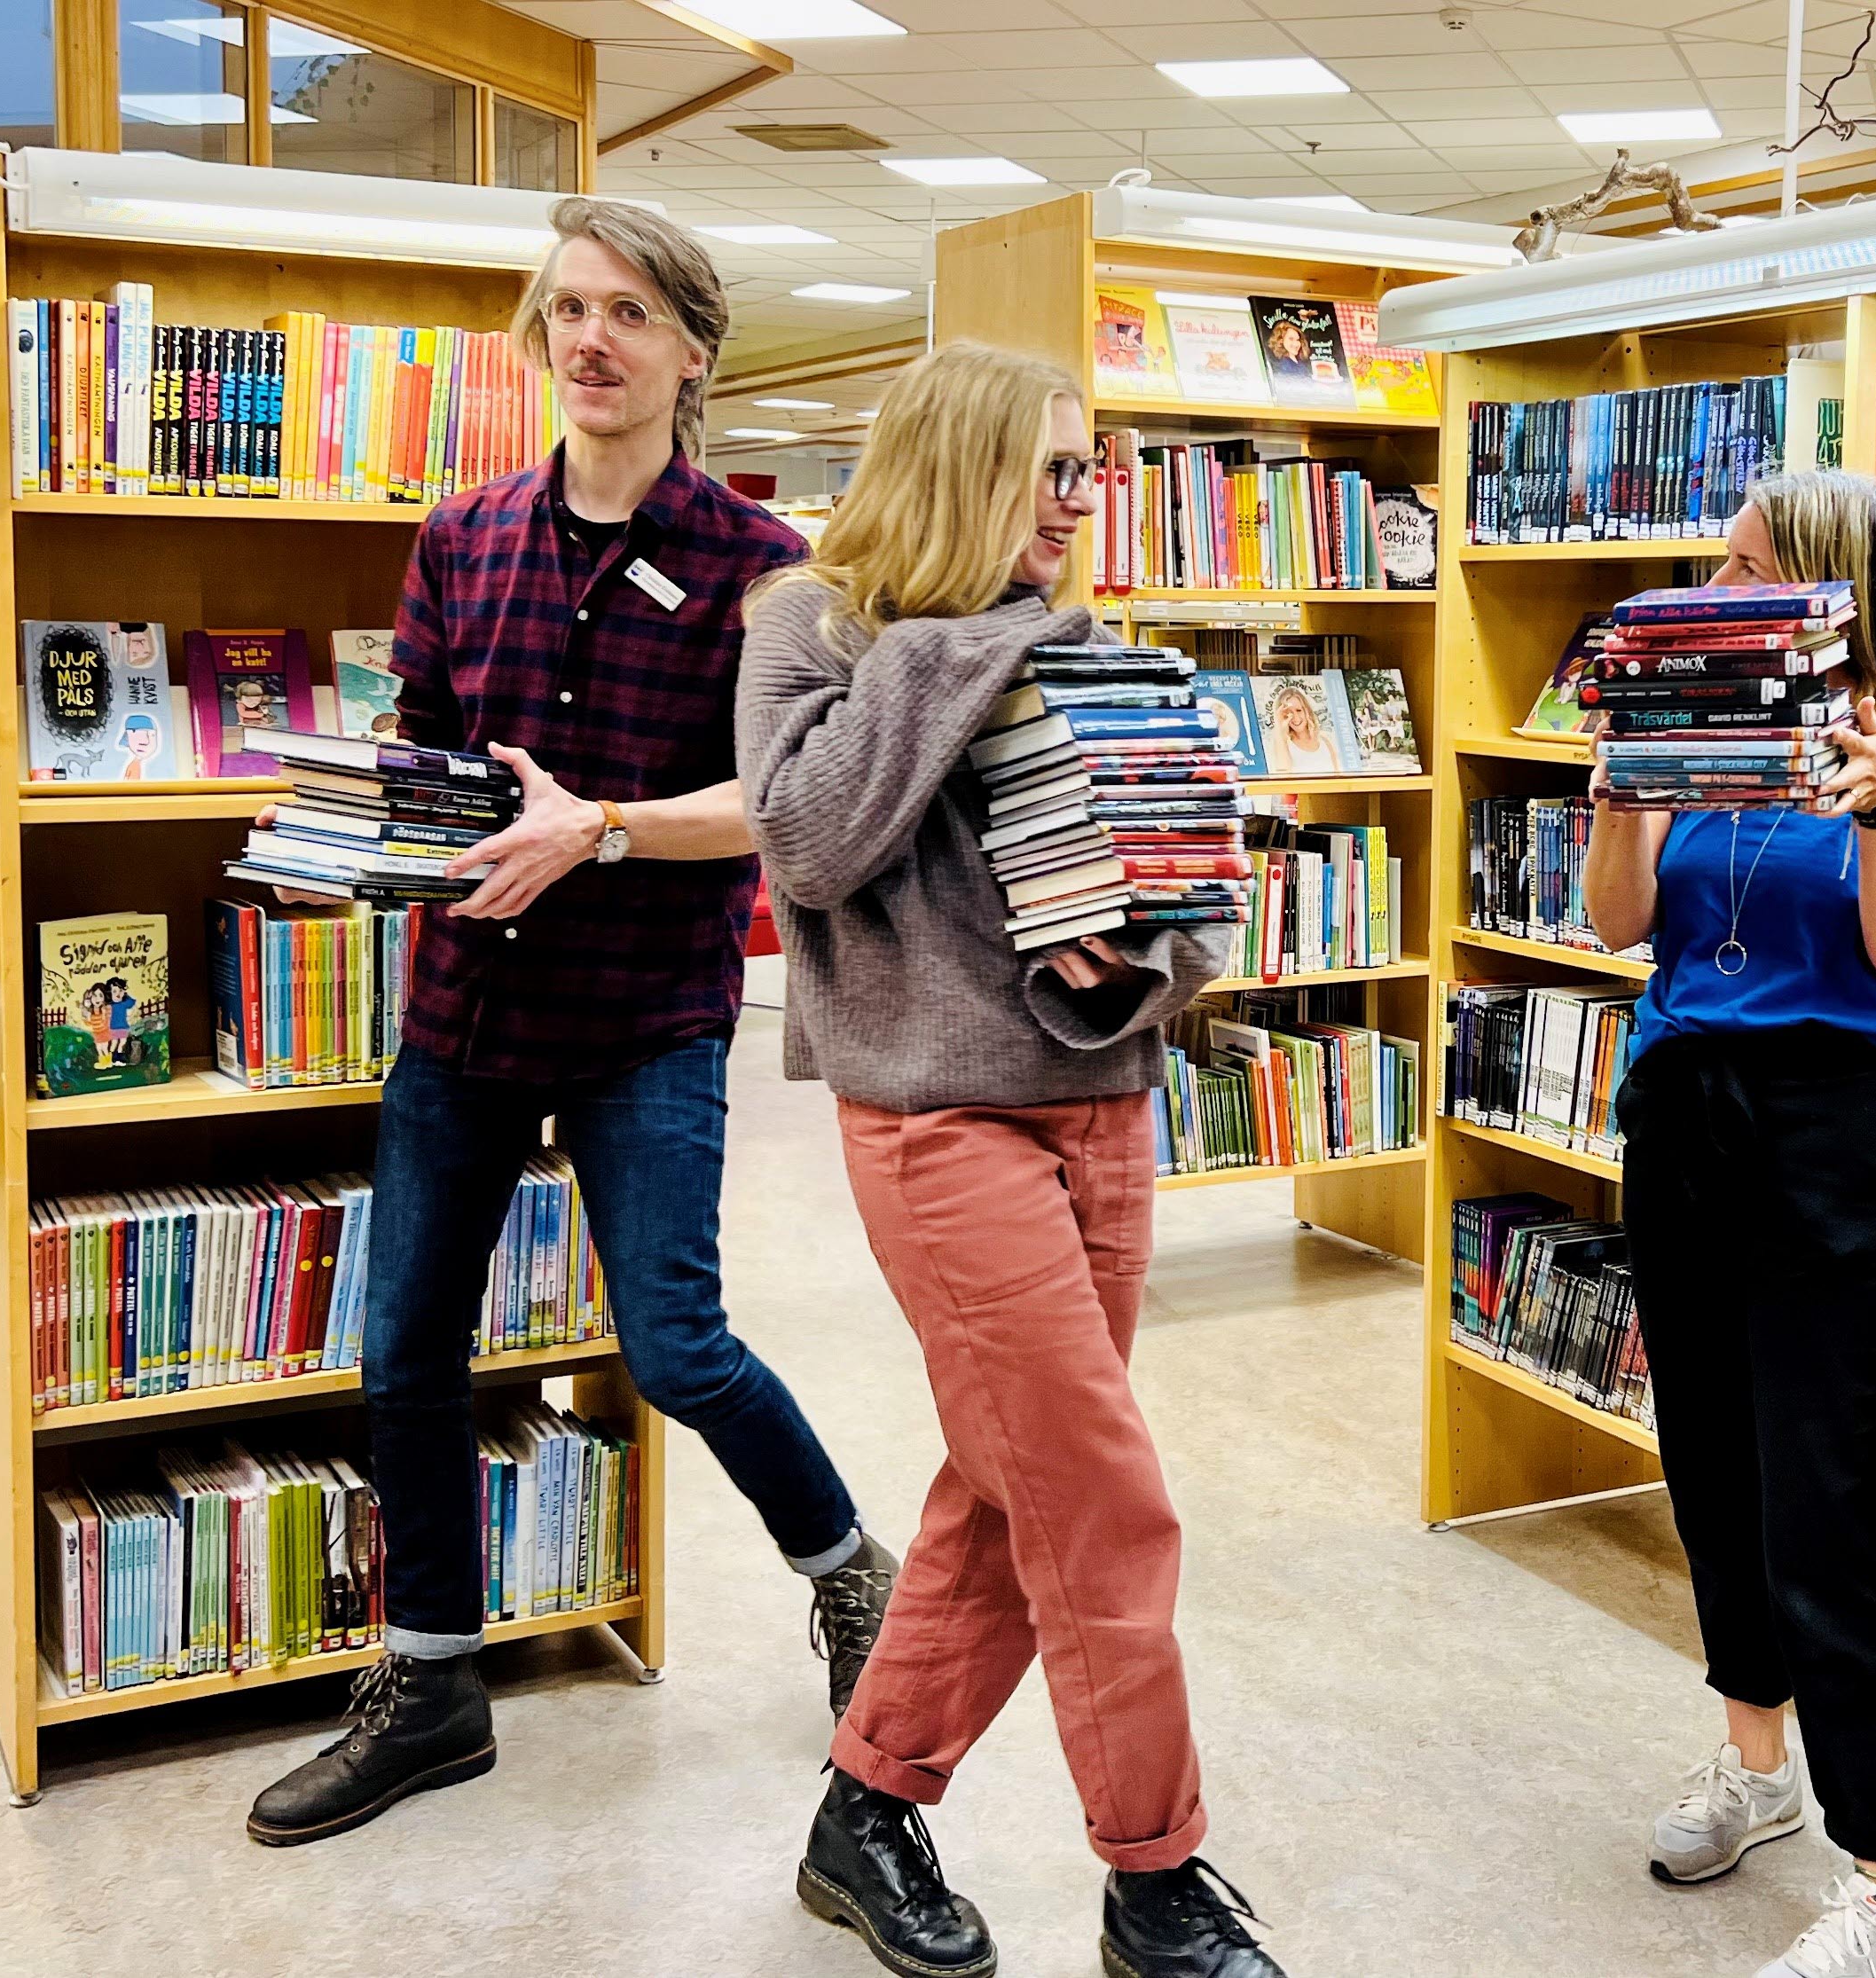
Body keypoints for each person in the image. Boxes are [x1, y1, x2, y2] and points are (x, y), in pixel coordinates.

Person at [245, 197, 896, 1847]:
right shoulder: (461, 536)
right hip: (463, 1007)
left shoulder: (770, 571)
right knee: (405, 1354)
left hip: (646, 1017)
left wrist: (595, 823)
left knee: (677, 1345)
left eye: (626, 313)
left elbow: (783, 801)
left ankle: (849, 1579)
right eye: (566, 312)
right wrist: (370, 843)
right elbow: (418, 753)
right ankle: (435, 1679)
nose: (590, 342)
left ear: (691, 348)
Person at [737, 338, 1285, 1978]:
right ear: (962, 460)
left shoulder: (1095, 646)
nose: (1078, 499)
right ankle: (1157, 1878)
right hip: (934, 1123)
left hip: (1104, 1104)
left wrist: (1151, 959)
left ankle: (866, 1808)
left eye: (1086, 468)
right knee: (1101, 1498)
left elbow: (1193, 891)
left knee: (1009, 1484)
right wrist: (961, 639)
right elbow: (815, 843)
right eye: (1050, 466)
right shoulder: (811, 625)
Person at [1582, 470, 1876, 1978]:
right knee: (1708, 1465)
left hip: (1832, 1125)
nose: (1713, 584)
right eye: (1717, 559)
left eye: (1747, 566)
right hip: (1681, 1108)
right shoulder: (1700, 729)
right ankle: (1756, 1761)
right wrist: (1624, 786)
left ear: (1830, 588)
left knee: (1824, 1499)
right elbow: (1621, 923)